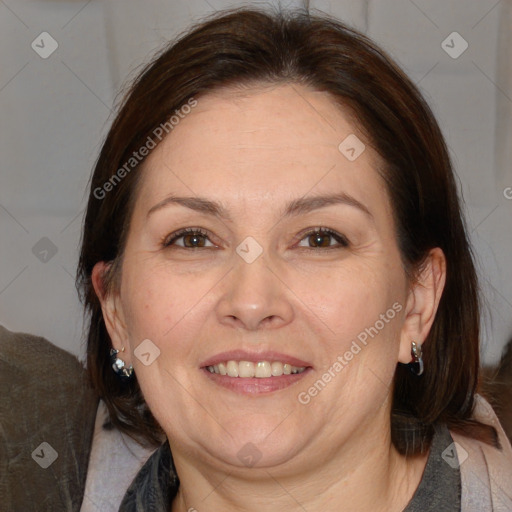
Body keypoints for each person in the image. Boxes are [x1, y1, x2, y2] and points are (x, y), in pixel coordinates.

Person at [1, 6, 511, 512]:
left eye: (319, 239)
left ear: (417, 302)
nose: (251, 302)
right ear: (115, 311)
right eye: (193, 239)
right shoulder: (36, 463)